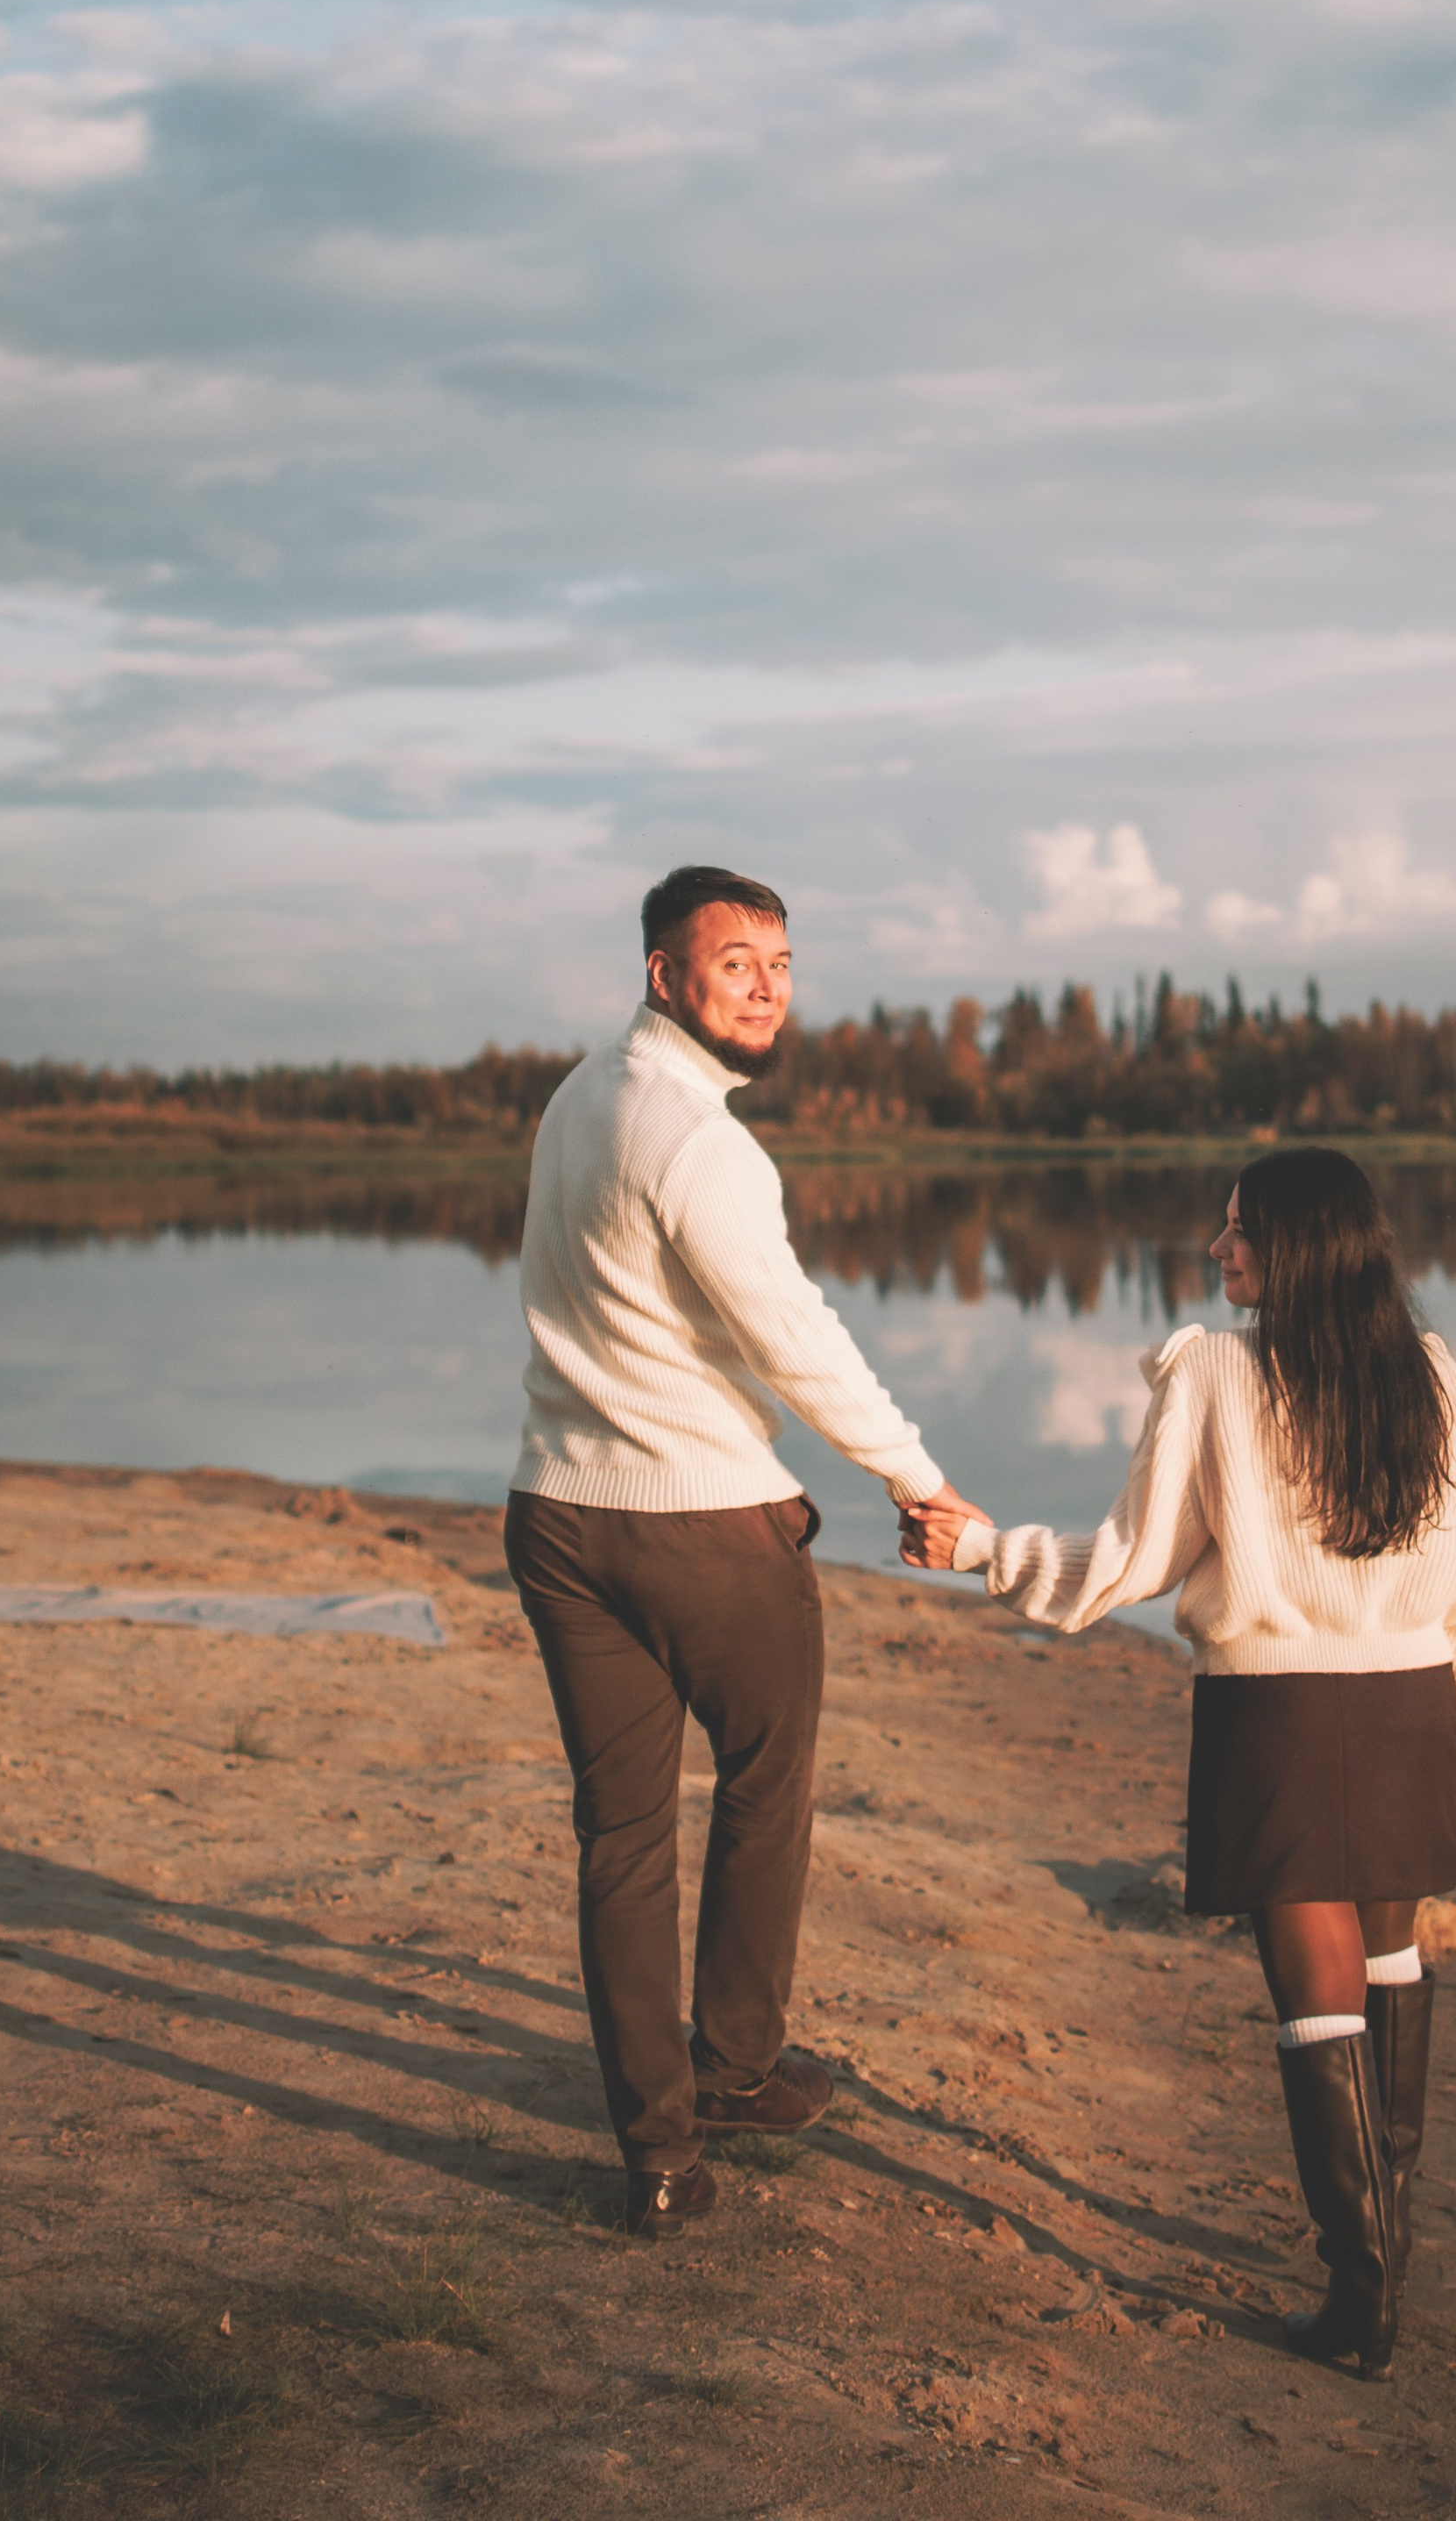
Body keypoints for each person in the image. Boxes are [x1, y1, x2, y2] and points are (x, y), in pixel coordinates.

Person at [902, 1145, 1456, 2378]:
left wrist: (983, 1550)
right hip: (1405, 1706)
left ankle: (1363, 2292)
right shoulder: (1433, 1375)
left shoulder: (1220, 1373)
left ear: (1300, 1245)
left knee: (1318, 1997)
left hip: (1284, 1712)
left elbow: (1133, 1561)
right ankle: (1385, 2244)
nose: (1221, 1248)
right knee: (1387, 1952)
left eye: (1241, 1231)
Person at [505, 865, 974, 2236]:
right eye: (735, 961)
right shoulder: (705, 1142)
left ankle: (657, 2158)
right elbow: (798, 1339)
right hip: (698, 1523)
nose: (768, 983)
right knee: (767, 1781)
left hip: (559, 1515)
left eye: (780, 959)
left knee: (624, 1834)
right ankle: (737, 2068)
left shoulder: (580, 1097)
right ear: (666, 974)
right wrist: (921, 1480)